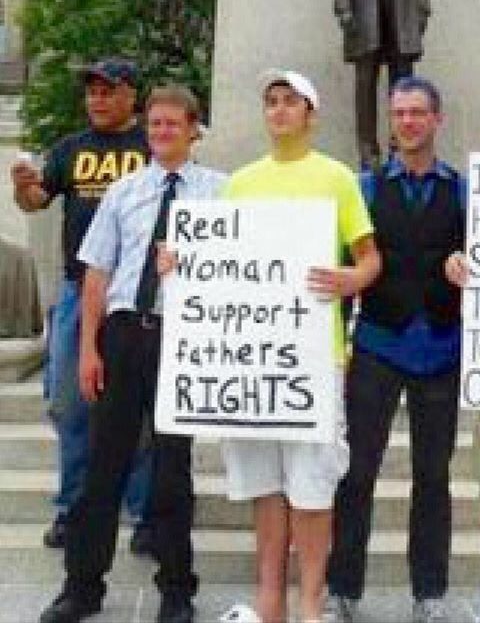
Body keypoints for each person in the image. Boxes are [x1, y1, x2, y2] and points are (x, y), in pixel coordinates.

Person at [38, 84, 226, 623]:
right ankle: (82, 587)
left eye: (173, 124)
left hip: (182, 336)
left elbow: (237, 265)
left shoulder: (221, 192)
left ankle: (176, 590)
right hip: (123, 335)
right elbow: (97, 273)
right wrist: (88, 350)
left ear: (194, 130)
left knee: (172, 470)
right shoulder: (124, 192)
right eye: (155, 124)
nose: (162, 132)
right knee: (104, 464)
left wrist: (192, 261)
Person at [220, 70, 381, 623]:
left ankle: (311, 601)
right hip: (251, 360)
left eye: (291, 101)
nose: (280, 110)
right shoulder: (240, 183)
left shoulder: (337, 178)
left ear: (311, 114)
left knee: (313, 489)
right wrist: (179, 261)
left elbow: (369, 259)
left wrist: (350, 278)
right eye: (271, 101)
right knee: (265, 488)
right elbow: (219, 263)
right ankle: (270, 600)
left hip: (314, 356)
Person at [324, 76, 466, 623]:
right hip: (377, 345)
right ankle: (343, 588)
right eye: (399, 113)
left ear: (437, 119)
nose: (407, 122)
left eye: (417, 113)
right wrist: (334, 347)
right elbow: (340, 264)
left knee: (433, 477)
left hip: (442, 349)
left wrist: (466, 266)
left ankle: (429, 593)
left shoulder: (464, 192)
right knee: (356, 472)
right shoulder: (363, 188)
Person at [11, 58, 157, 551]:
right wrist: (22, 187)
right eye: (91, 91)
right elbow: (36, 200)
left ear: (131, 95)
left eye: (107, 90)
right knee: (67, 403)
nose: (96, 99)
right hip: (79, 290)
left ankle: (144, 513)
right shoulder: (70, 149)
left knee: (139, 408)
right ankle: (73, 509)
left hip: (139, 296)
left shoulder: (151, 147)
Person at [334, 0, 430, 166]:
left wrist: (423, 7)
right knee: (365, 80)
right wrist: (343, 7)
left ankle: (400, 149)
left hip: (402, 2)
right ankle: (368, 151)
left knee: (403, 79)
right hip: (364, 3)